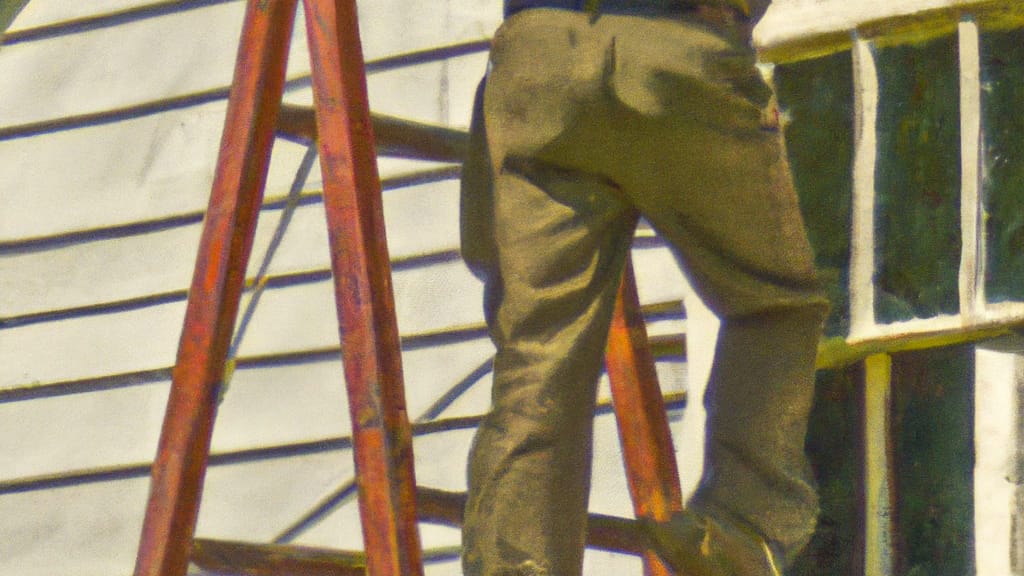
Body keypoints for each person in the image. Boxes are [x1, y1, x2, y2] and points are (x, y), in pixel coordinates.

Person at [458, 0, 829, 574]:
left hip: (540, 57)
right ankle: (742, 529)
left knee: (539, 354)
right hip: (677, 48)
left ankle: (516, 563)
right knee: (775, 304)